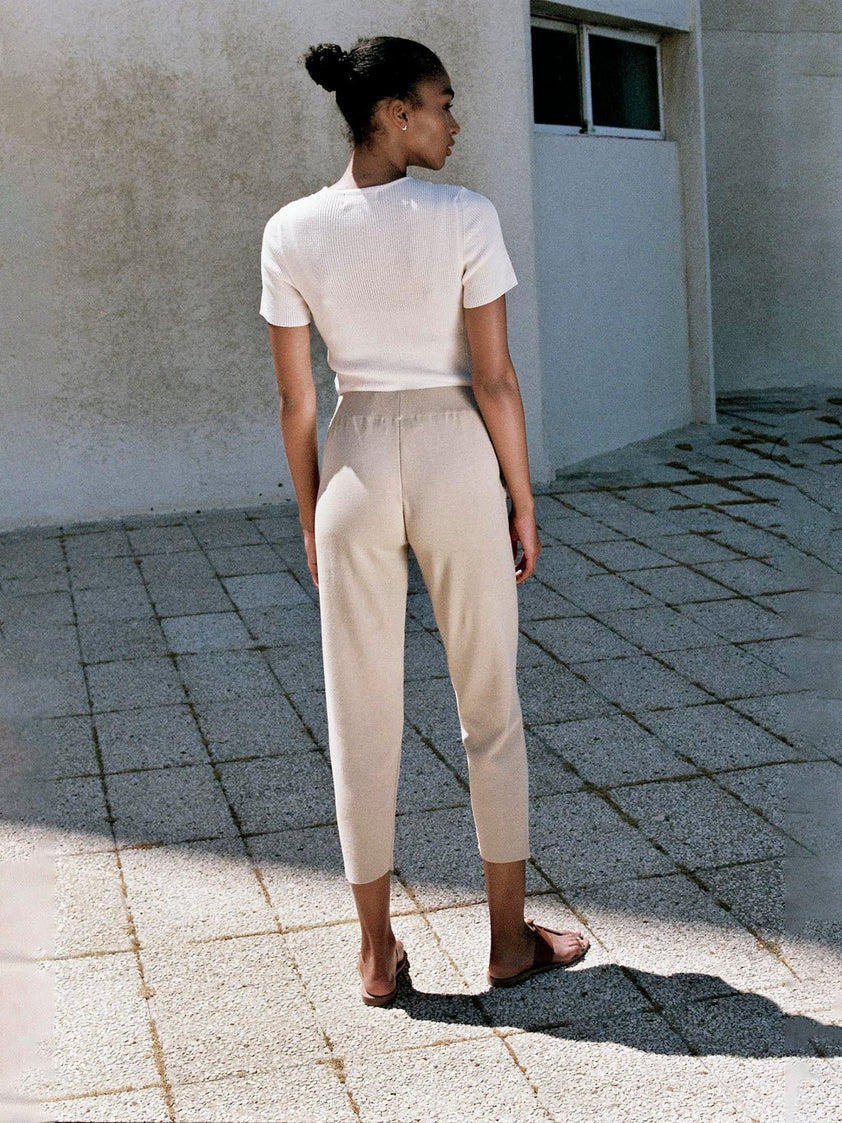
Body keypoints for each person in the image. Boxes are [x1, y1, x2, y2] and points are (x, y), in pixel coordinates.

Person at [260, 35, 589, 1005]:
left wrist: (311, 514)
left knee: (358, 710)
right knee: (489, 702)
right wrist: (521, 496)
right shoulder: (465, 216)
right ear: (395, 113)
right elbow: (496, 378)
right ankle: (506, 940)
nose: (454, 122)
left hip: (354, 458)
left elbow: (294, 401)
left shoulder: (290, 229)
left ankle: (375, 954)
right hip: (453, 454)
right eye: (441, 103)